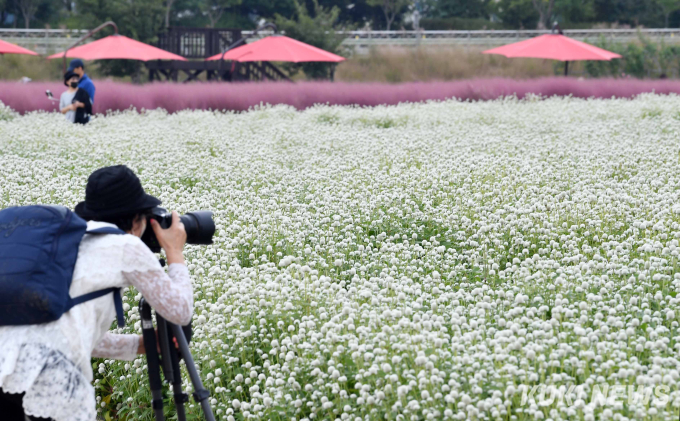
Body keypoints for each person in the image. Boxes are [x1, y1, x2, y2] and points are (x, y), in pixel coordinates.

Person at [0, 165, 193, 421]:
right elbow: (180, 311)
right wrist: (175, 252)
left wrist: (141, 345)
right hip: (48, 379)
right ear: (138, 220)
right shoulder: (126, 246)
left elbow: (69, 331)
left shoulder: (67, 242)